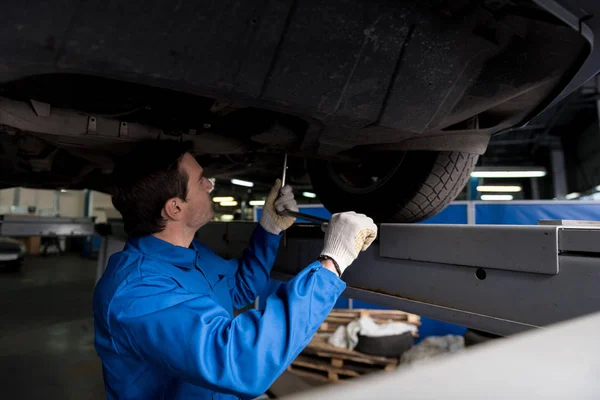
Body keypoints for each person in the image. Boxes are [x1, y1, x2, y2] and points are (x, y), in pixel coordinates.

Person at [93, 139, 378, 400]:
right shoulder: (134, 292)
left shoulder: (192, 254)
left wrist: (269, 229)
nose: (210, 185)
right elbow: (240, 362)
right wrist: (331, 264)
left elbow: (240, 288)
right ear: (175, 208)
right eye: (201, 180)